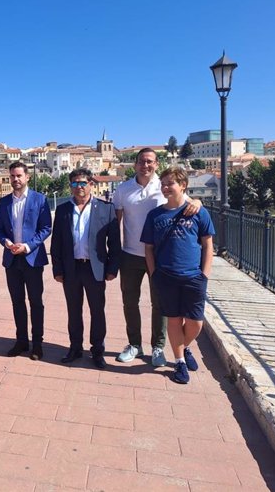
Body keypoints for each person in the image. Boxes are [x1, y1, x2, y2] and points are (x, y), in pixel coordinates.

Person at [112, 148, 201, 367]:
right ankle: (134, 344)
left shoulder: (163, 186)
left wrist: (198, 201)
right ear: (135, 164)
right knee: (129, 302)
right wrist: (112, 255)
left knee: (159, 304)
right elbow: (115, 223)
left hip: (159, 257)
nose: (146, 165)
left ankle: (158, 347)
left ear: (156, 164)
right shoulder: (123, 190)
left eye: (150, 162)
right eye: (142, 161)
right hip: (130, 254)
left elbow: (188, 202)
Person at [141, 167, 214, 384]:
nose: (165, 188)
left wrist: (205, 275)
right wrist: (154, 274)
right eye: (162, 184)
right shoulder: (155, 215)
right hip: (166, 276)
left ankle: (185, 346)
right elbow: (149, 248)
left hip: (193, 276)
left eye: (170, 183)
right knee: (173, 319)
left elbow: (208, 245)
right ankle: (180, 361)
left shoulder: (198, 211)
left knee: (195, 322)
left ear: (183, 185)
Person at [50, 168, 121, 369]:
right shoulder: (64, 210)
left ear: (91, 184)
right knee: (74, 311)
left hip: (95, 268)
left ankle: (97, 351)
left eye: (83, 183)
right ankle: (75, 348)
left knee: (97, 311)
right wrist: (57, 269)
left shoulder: (106, 208)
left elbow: (114, 243)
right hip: (71, 268)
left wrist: (112, 268)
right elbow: (56, 243)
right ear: (70, 186)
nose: (79, 187)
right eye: (75, 183)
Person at [0, 161, 52, 360]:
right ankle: (21, 341)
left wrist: (27, 246)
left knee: (36, 302)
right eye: (12, 176)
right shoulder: (3, 203)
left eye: (19, 175)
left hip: (32, 258)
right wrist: (7, 242)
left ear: (27, 177)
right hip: (12, 259)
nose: (15, 179)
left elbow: (46, 228)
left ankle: (37, 344)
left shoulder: (40, 200)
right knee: (17, 302)